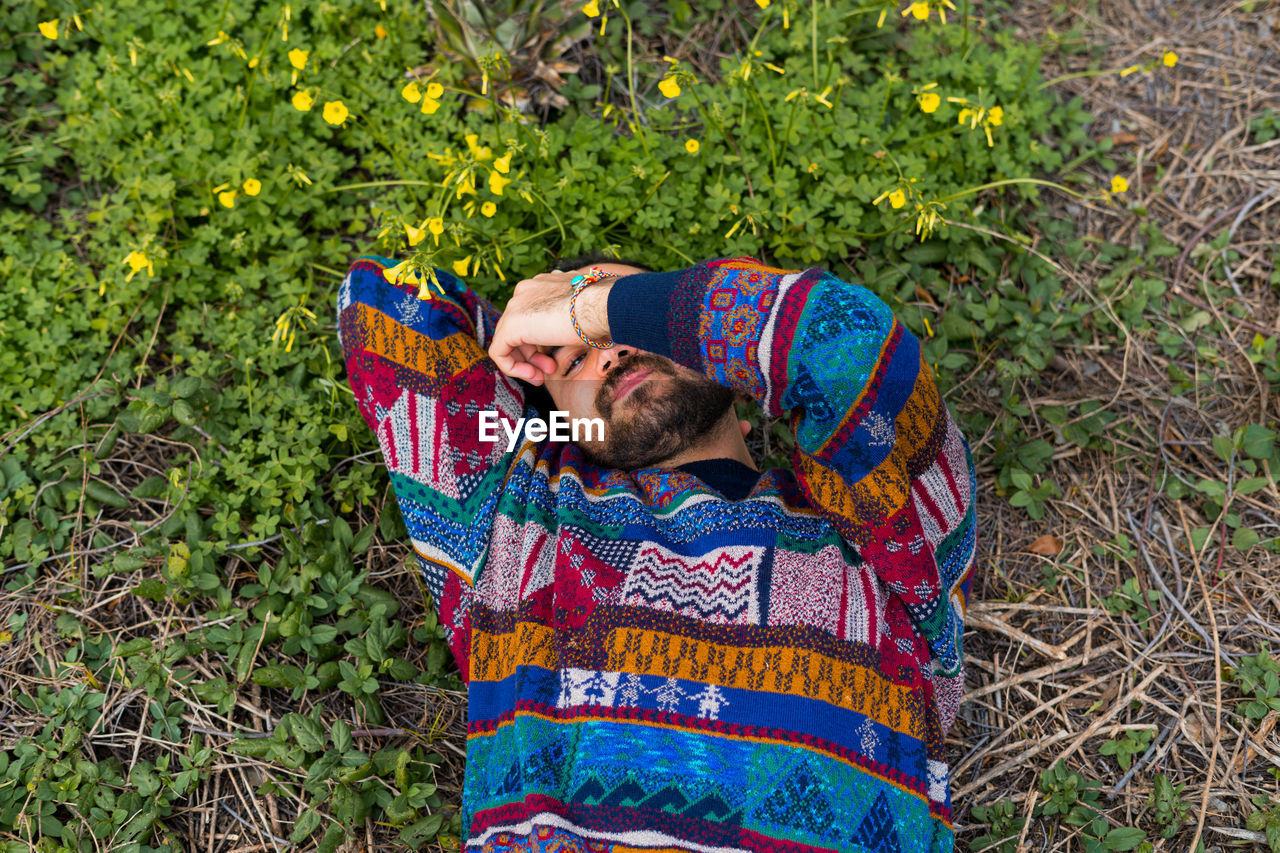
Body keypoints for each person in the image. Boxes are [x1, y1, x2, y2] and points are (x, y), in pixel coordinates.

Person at [337, 252, 978, 852]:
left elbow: (846, 341)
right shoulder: (520, 521)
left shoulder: (875, 524)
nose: (607, 352)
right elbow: (383, 307)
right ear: (558, 423)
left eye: (624, 316)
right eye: (569, 359)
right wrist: (548, 399)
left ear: (732, 366)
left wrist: (588, 307)